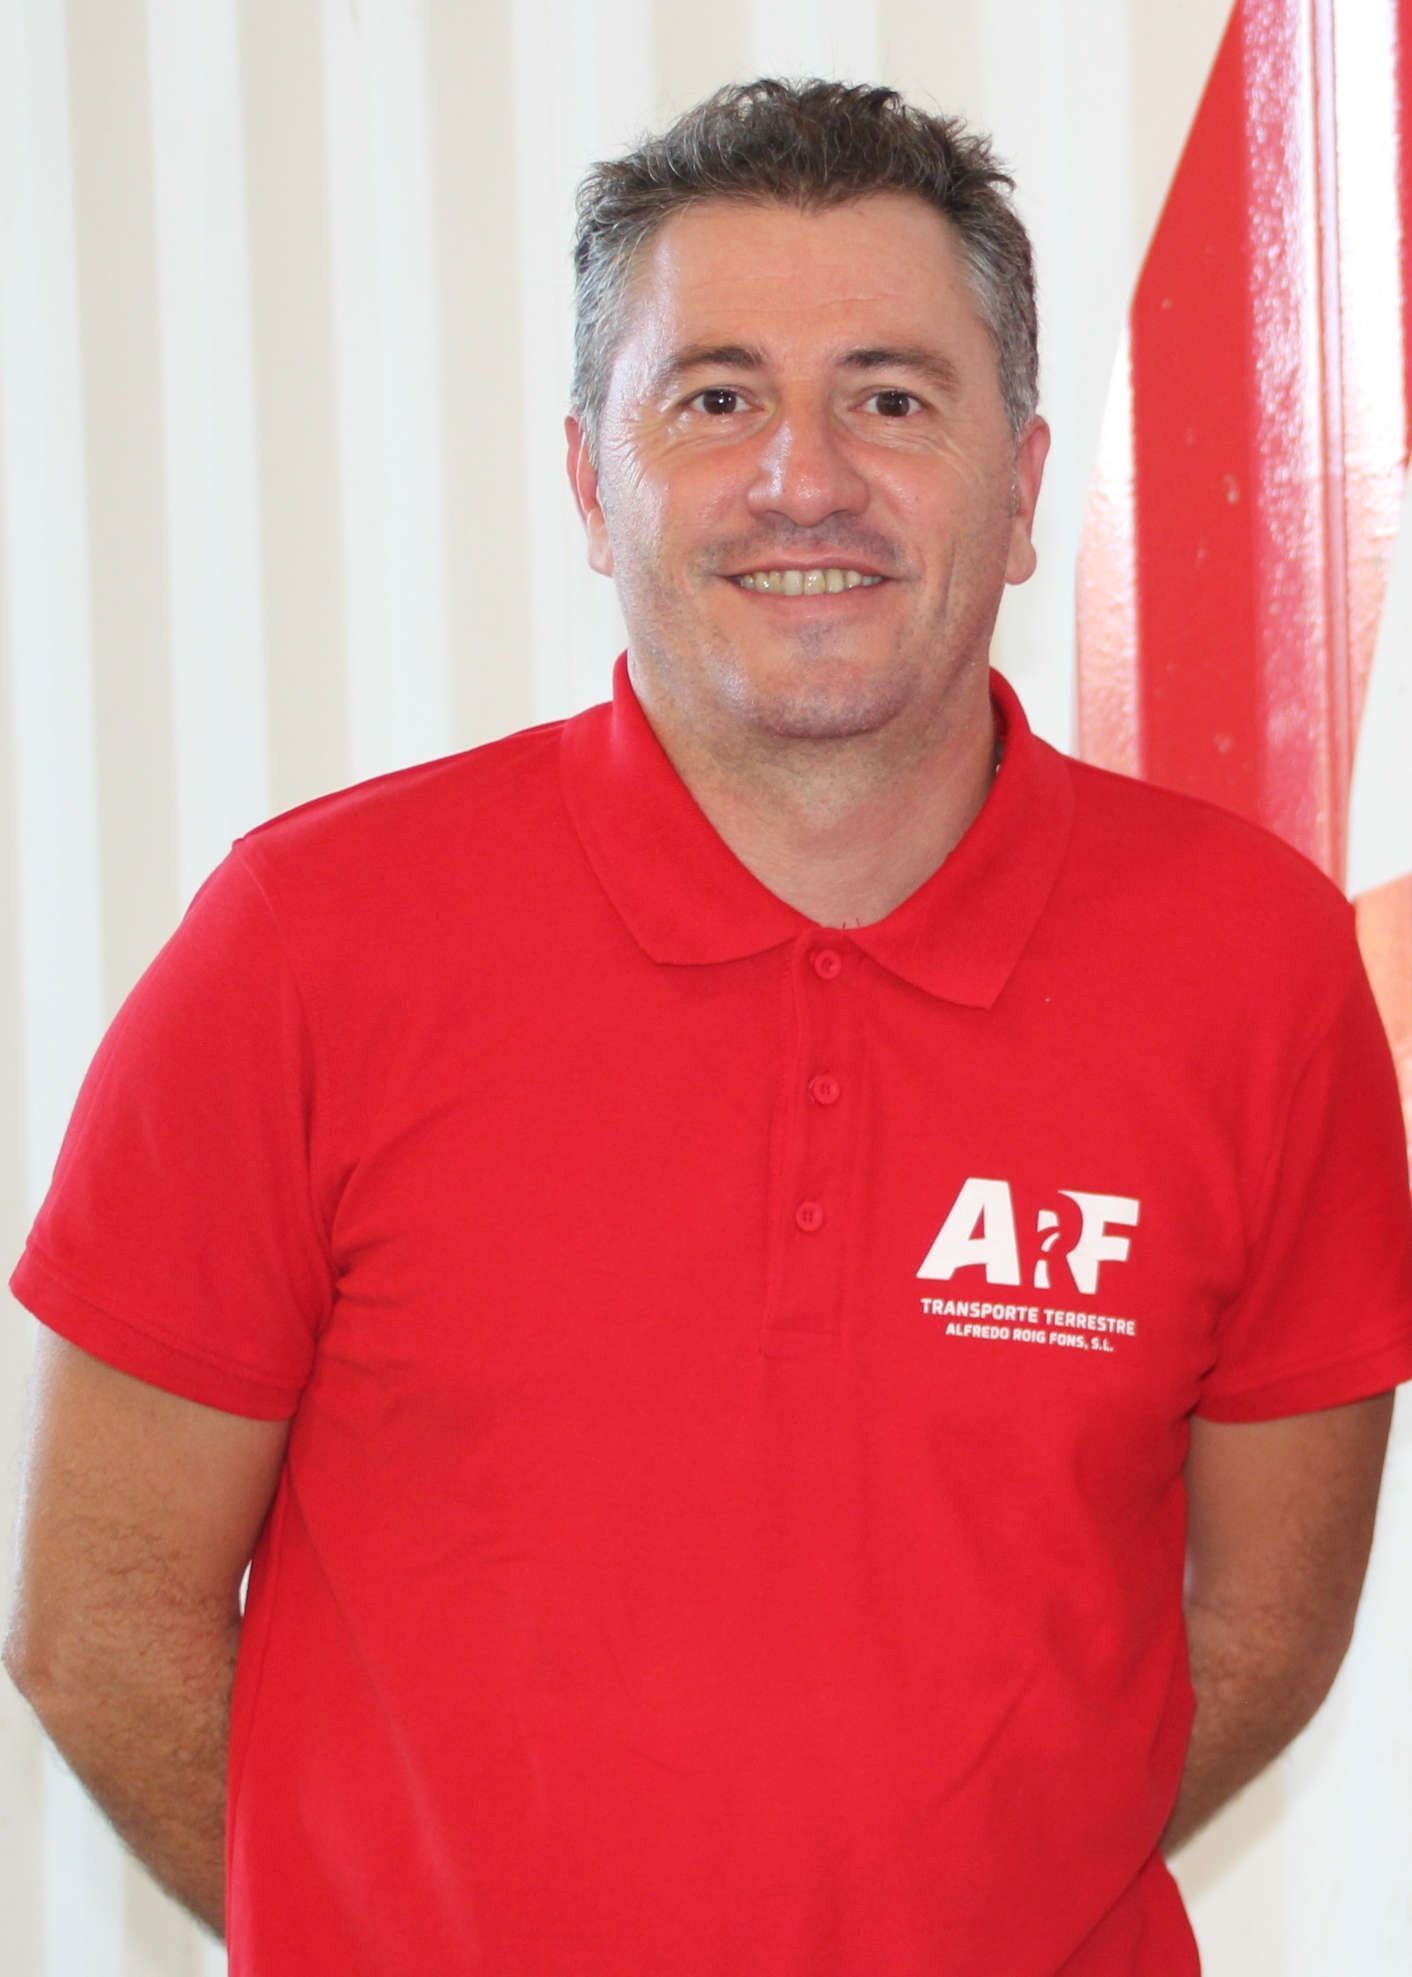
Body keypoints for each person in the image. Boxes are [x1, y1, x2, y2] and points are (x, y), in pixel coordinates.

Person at [5, 76, 1411, 1977]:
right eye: (717, 396)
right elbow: (101, 1615)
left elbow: (1259, 1631)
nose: (802, 477)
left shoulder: (1253, 966)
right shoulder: (309, 941)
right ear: (595, 479)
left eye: (893, 397)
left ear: (1020, 486)